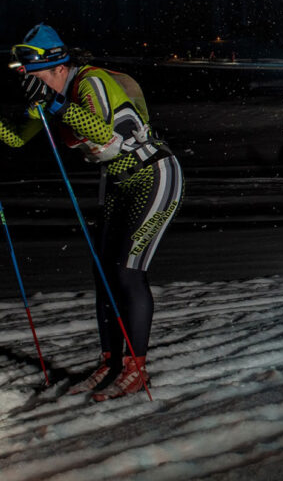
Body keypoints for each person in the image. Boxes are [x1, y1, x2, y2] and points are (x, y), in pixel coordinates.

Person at [1, 24, 184, 401]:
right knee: (103, 274)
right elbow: (17, 137)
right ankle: (111, 362)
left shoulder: (90, 81)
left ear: (54, 65)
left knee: (126, 271)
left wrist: (54, 105)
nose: (22, 77)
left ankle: (136, 367)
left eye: (27, 70)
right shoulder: (50, 93)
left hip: (155, 175)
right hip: (120, 182)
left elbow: (102, 133)